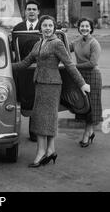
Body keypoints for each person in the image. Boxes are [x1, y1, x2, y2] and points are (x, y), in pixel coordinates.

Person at [12, 15, 90, 168]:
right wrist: (5, 67)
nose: (47, 28)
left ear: (54, 28)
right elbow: (25, 63)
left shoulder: (57, 43)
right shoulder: (39, 43)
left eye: (50, 26)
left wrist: (82, 84)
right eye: (44, 25)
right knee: (43, 119)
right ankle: (50, 151)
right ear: (40, 28)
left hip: (52, 85)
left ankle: (42, 152)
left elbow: (69, 64)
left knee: (45, 119)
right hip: (40, 84)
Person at [70, 18, 103, 147]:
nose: (84, 28)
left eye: (87, 26)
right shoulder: (76, 41)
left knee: (91, 105)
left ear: (91, 28)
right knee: (83, 104)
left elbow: (92, 63)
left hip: (93, 76)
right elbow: (64, 49)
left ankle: (86, 134)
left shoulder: (94, 43)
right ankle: (90, 132)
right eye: (82, 26)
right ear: (78, 28)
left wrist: (73, 66)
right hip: (80, 76)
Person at [12, 0, 41, 142]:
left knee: (37, 101)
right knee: (21, 100)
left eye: (34, 9)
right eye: (29, 9)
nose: (31, 11)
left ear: (38, 12)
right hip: (22, 71)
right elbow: (13, 50)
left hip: (40, 71)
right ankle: (14, 130)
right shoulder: (18, 28)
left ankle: (34, 132)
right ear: (25, 12)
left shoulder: (45, 26)